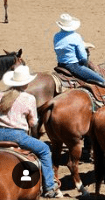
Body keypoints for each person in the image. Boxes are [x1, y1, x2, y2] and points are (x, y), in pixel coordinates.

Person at [0, 65, 63, 198]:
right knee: (45, 150)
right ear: (27, 83)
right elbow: (33, 122)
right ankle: (49, 186)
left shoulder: (1, 95)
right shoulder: (28, 98)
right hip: (18, 136)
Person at [53, 13, 105, 86]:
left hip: (60, 65)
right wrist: (83, 63)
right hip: (74, 66)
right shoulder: (76, 36)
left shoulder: (56, 36)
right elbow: (83, 56)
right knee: (101, 80)